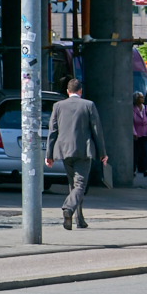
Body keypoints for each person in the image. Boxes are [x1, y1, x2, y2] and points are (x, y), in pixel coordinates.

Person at [47, 78, 107, 230]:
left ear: (68, 91)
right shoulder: (88, 105)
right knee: (80, 185)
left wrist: (49, 154)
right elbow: (97, 131)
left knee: (73, 185)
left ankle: (79, 220)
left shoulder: (58, 106)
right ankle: (68, 208)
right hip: (83, 151)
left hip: (64, 151)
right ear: (80, 91)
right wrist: (102, 153)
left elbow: (52, 131)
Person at [132, 92, 147, 177]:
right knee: (136, 152)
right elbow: (132, 122)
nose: (142, 99)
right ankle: (134, 169)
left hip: (146, 132)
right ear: (135, 99)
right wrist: (134, 133)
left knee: (146, 152)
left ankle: (145, 169)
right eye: (140, 97)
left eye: (143, 97)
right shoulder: (133, 109)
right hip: (137, 133)